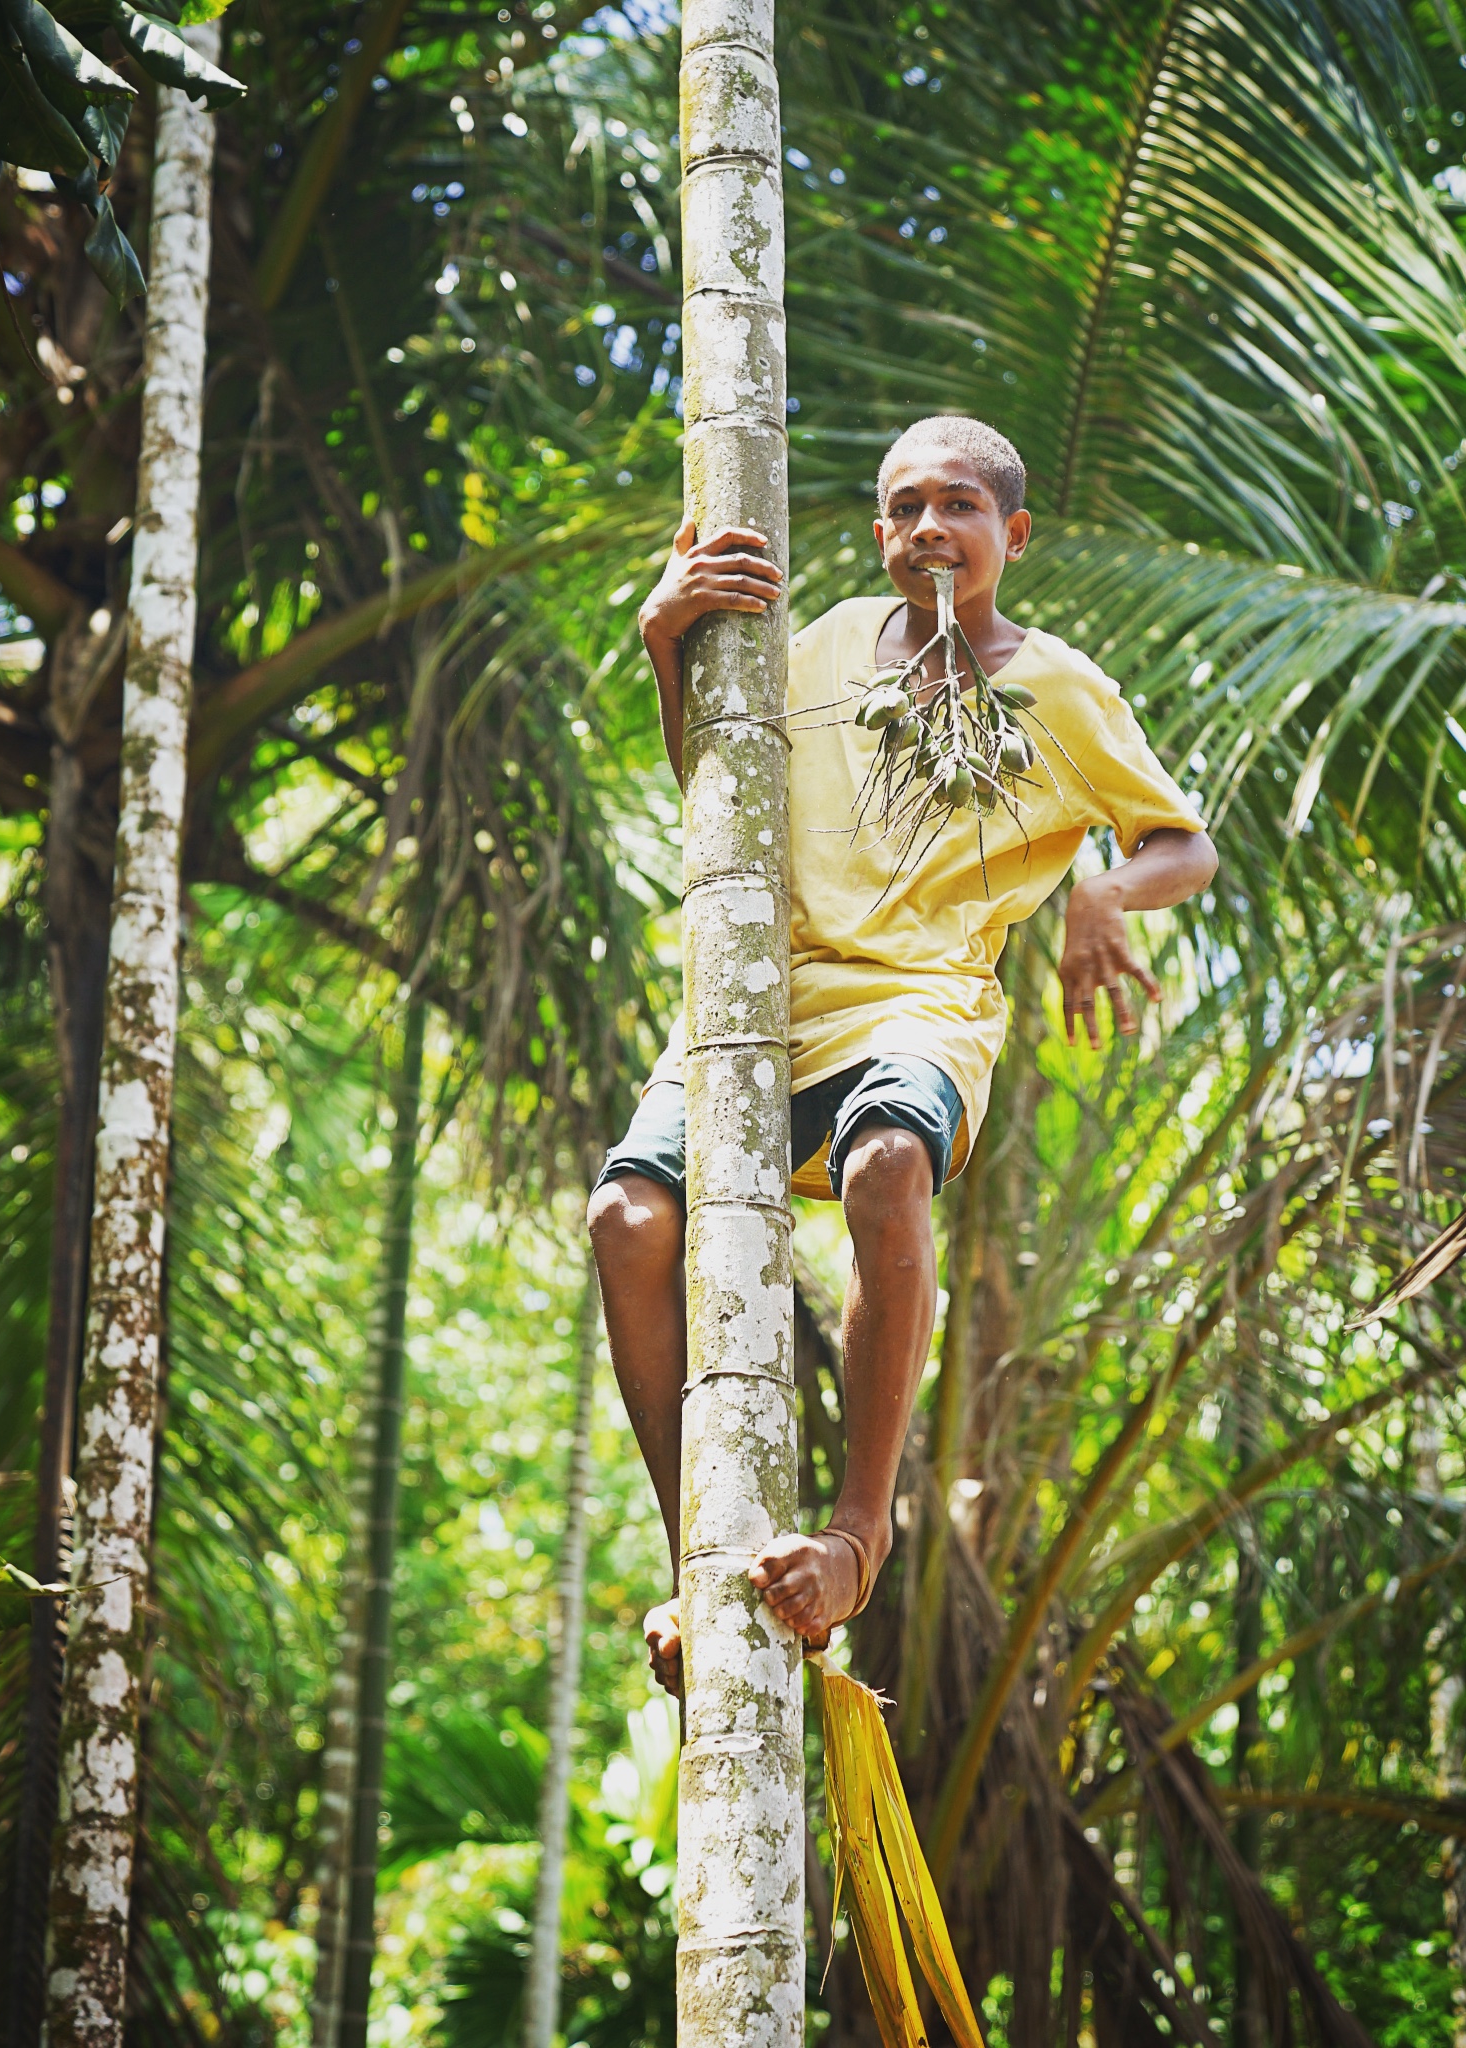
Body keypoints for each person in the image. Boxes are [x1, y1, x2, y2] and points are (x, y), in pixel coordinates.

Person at [587, 414, 1218, 1695]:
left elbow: (1182, 844)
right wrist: (665, 638)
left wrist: (1100, 894)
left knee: (886, 1166)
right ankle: (697, 1564)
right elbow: (716, 784)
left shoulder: (1061, 688)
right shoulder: (816, 646)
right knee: (626, 1217)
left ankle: (858, 1535)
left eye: (961, 506)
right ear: (881, 534)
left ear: (1013, 535)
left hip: (920, 1005)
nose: (931, 527)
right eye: (905, 508)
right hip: (761, 1000)